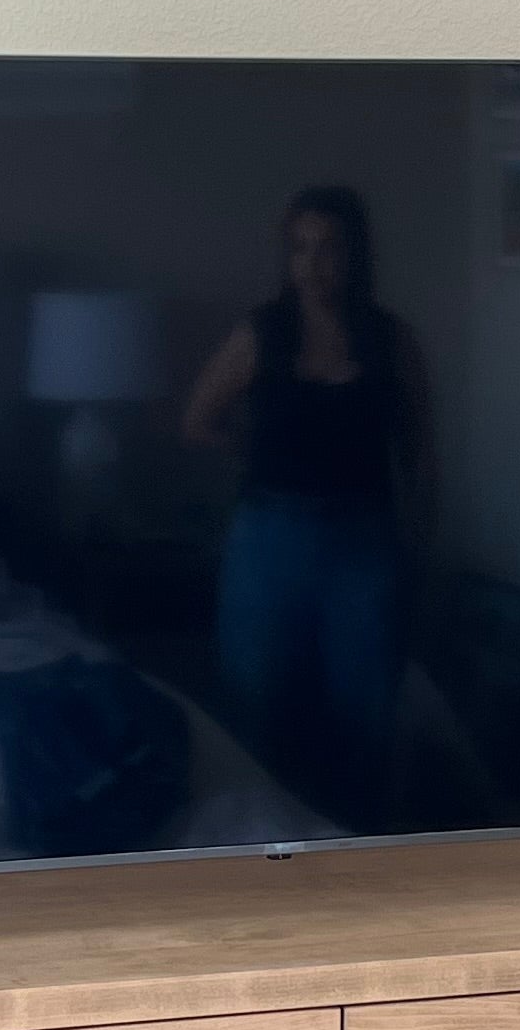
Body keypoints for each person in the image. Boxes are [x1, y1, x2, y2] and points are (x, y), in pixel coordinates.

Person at [181, 183, 432, 833]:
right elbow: (198, 419)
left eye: (328, 249)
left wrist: (417, 550)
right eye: (300, 249)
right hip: (272, 537)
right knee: (257, 705)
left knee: (365, 712)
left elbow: (420, 454)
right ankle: (265, 857)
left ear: (355, 256)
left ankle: (360, 857)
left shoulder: (389, 339)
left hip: (363, 542)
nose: (313, 265)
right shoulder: (264, 332)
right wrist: (258, 451)